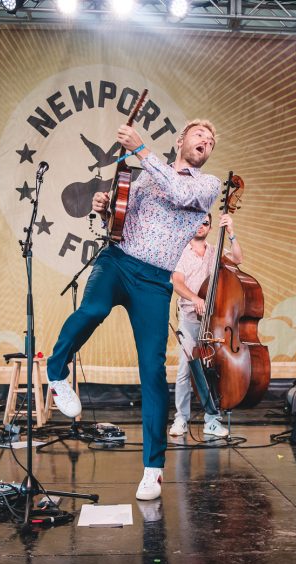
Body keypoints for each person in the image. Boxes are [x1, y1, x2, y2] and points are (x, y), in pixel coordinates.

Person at [46, 120, 221, 501]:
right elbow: (122, 221)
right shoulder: (144, 177)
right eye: (199, 136)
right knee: (91, 310)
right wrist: (106, 208)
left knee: (152, 371)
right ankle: (56, 373)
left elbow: (177, 192)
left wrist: (142, 150)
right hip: (118, 261)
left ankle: (153, 469)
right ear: (181, 140)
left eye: (209, 142)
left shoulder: (206, 185)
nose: (204, 143)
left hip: (156, 280)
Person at [169, 212, 243, 438]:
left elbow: (238, 259)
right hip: (191, 318)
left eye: (205, 223)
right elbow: (177, 282)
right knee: (185, 369)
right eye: (196, 222)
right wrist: (195, 298)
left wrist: (231, 233)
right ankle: (181, 418)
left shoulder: (215, 251)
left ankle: (212, 420)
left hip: (214, 321)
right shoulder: (182, 251)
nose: (200, 227)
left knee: (213, 370)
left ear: (210, 228)